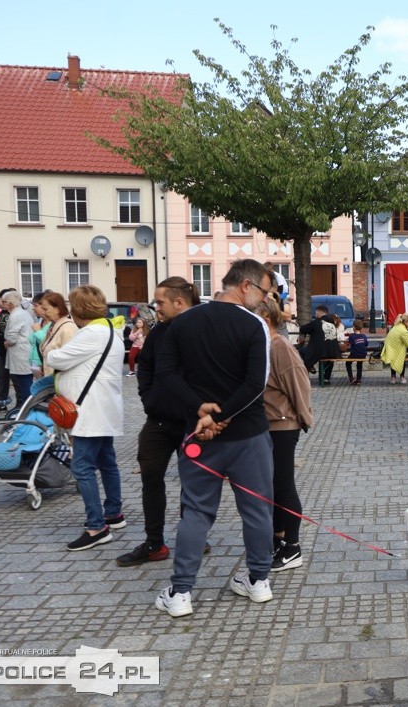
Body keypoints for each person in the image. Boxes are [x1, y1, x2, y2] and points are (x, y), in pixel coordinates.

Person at [154, 259, 277, 617]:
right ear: (245, 286)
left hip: (200, 436)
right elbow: (256, 384)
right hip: (248, 436)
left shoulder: (183, 321)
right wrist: (219, 416)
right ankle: (259, 580)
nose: (265, 300)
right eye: (264, 292)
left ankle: (181, 592)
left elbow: (166, 373)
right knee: (257, 509)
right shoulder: (254, 324)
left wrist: (201, 410)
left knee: (195, 512)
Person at [116, 276, 200, 568]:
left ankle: (193, 538)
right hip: (158, 422)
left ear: (179, 301)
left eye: (160, 302)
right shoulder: (158, 332)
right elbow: (146, 367)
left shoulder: (203, 329)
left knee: (193, 484)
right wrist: (148, 399)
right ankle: (154, 544)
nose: (156, 308)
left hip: (193, 424)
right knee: (151, 480)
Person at [47, 285, 126, 550]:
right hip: (102, 409)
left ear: (77, 309)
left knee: (82, 467)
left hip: (89, 412)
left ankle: (96, 528)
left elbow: (57, 358)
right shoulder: (110, 331)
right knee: (107, 462)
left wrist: (51, 349)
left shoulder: (92, 333)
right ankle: (113, 514)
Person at [255, 301, 313, 572]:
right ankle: (278, 538)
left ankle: (293, 546)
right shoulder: (261, 345)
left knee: (284, 483)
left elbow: (299, 383)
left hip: (282, 425)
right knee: (272, 485)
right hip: (266, 425)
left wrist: (303, 418)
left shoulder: (280, 346)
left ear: (266, 318)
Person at [0, 290, 33, 407]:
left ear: (10, 303)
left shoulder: (16, 315)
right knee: (24, 383)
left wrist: (7, 342)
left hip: (21, 353)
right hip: (23, 352)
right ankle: (25, 406)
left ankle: (26, 408)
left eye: (4, 302)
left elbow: (12, 337)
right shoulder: (22, 313)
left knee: (23, 383)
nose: (2, 304)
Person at [38, 292, 78, 379]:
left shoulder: (68, 328)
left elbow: (69, 359)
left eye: (45, 309)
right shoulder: (52, 326)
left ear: (57, 309)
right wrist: (43, 366)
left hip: (60, 381)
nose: (43, 313)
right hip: (51, 379)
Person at [381, 313, 408, 385]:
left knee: (398, 356)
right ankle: (402, 377)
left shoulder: (397, 327)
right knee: (401, 356)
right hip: (394, 350)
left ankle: (393, 377)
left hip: (390, 350)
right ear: (405, 322)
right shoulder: (403, 331)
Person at [28, 292, 51, 380]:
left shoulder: (53, 324)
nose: (33, 308)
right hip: (35, 365)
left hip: (45, 365)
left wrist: (38, 331)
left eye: (36, 305)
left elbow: (49, 345)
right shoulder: (40, 321)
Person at [299, 305, 329, 372]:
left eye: (316, 313)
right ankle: (326, 376)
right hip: (332, 351)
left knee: (302, 350)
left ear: (318, 314)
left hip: (319, 351)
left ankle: (310, 366)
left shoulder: (316, 322)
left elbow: (303, 329)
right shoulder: (332, 323)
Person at [345, 319, 369, 385]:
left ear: (354, 327)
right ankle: (358, 379)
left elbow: (348, 343)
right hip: (363, 354)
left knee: (348, 363)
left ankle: (351, 378)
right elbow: (366, 344)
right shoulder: (364, 336)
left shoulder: (352, 336)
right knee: (359, 365)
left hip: (354, 354)